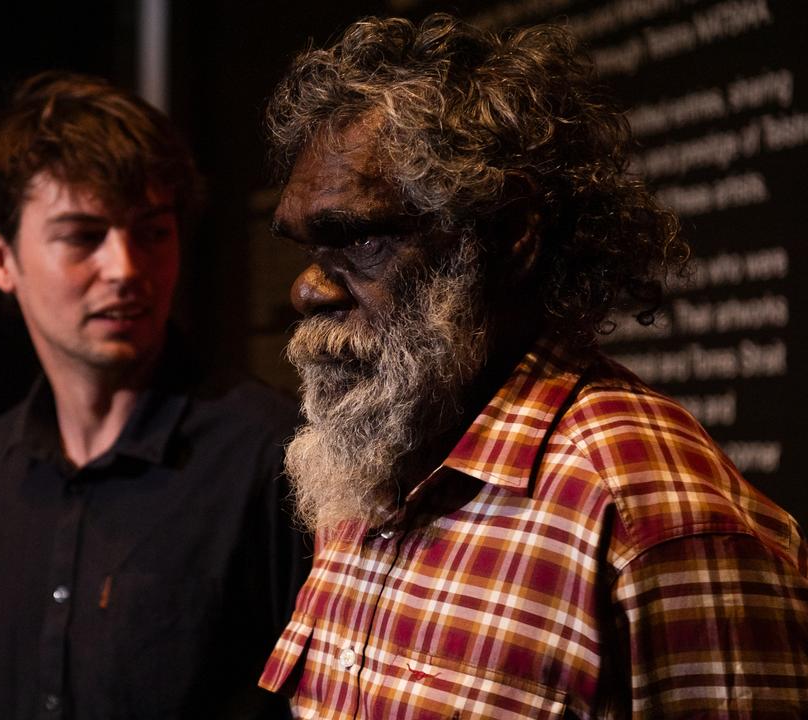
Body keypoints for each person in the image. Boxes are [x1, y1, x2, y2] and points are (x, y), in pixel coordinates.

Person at [258, 13, 808, 718]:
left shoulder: (644, 512)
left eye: (358, 239)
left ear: (509, 236)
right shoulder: (371, 462)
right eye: (303, 246)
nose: (307, 287)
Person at [0, 71, 309, 719]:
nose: (127, 268)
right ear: (0, 258)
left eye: (152, 232)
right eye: (83, 236)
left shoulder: (269, 456)